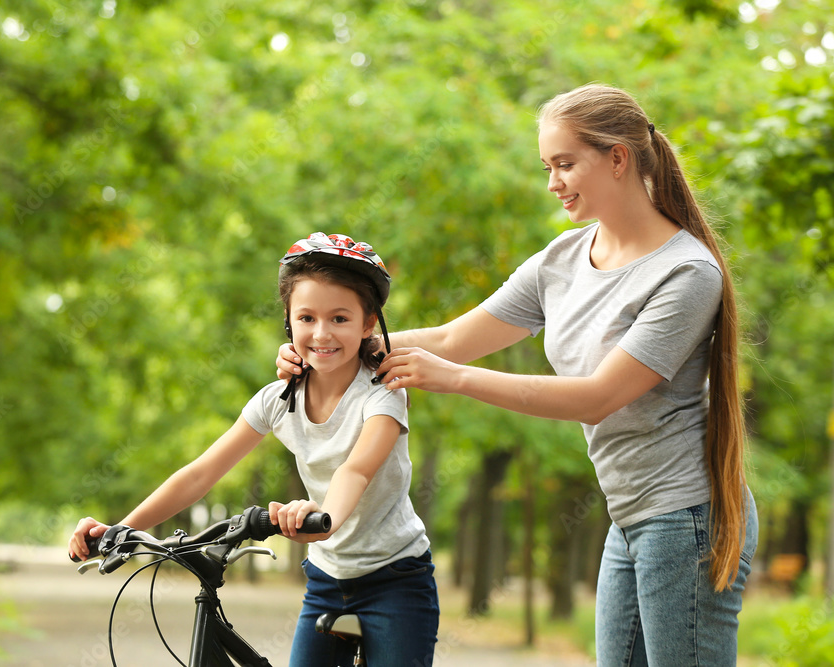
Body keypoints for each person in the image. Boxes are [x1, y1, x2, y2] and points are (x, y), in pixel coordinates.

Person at [278, 85, 758, 665]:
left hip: (687, 516)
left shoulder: (685, 273)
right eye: (546, 166)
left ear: (618, 158)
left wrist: (453, 379)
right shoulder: (561, 260)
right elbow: (454, 338)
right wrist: (327, 347)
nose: (552, 182)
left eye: (564, 164)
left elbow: (597, 398)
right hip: (629, 514)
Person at [70, 232, 439, 667]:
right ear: (288, 320)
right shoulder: (277, 399)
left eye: (339, 318)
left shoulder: (383, 395)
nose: (321, 333)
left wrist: (324, 520)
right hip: (326, 578)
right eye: (306, 318)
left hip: (396, 577)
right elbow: (201, 473)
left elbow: (355, 470)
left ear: (368, 324)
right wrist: (121, 530)